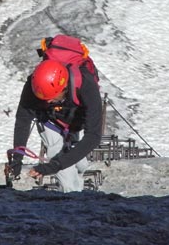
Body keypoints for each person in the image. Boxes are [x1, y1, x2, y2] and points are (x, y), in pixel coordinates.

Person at [9, 58, 103, 192]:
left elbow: (93, 136)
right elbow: (23, 120)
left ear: (64, 87)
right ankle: (71, 198)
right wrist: (17, 158)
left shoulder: (86, 85)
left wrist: (54, 166)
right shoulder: (34, 84)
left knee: (79, 164)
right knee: (57, 154)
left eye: (52, 98)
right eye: (44, 99)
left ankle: (76, 187)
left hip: (77, 122)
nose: (49, 101)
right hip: (49, 119)